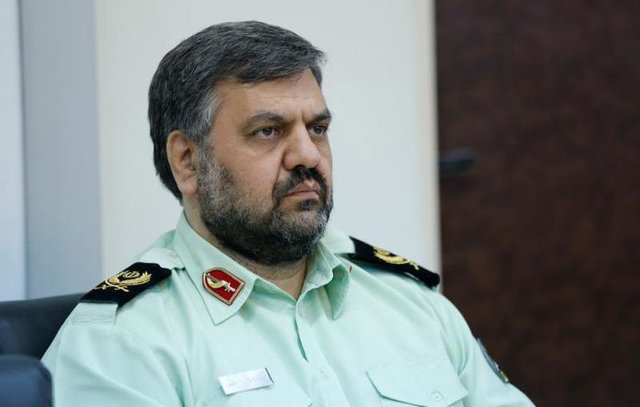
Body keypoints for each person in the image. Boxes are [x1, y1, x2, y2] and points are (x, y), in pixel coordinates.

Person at [42, 21, 534, 406]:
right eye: (268, 132)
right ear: (188, 161)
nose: (308, 155)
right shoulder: (121, 344)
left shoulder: (408, 302)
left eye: (317, 129)